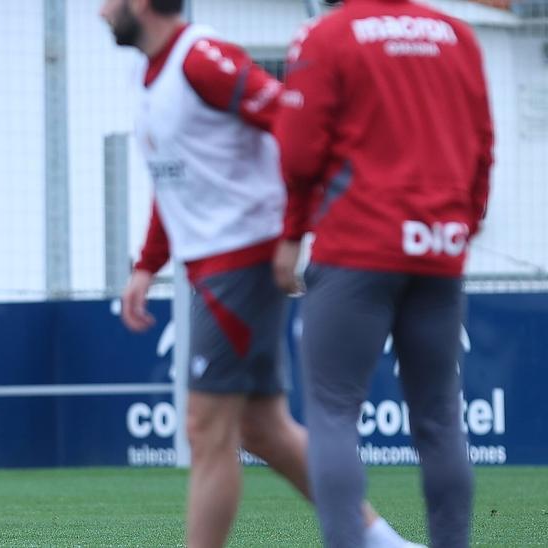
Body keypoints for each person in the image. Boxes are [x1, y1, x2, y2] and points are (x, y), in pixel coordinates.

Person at [98, 1, 417, 546]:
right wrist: (147, 265)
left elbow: (295, 127)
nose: (100, 12)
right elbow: (174, 179)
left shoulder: (202, 58)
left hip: (243, 261)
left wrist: (294, 231)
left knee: (205, 427)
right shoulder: (147, 71)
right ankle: (382, 541)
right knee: (262, 428)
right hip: (218, 266)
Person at [272, 1, 493, 546]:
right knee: (440, 418)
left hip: (356, 250)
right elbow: (483, 143)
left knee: (333, 414)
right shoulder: (458, 35)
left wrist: (292, 233)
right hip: (438, 251)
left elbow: (298, 153)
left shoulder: (327, 34)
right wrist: (464, 223)